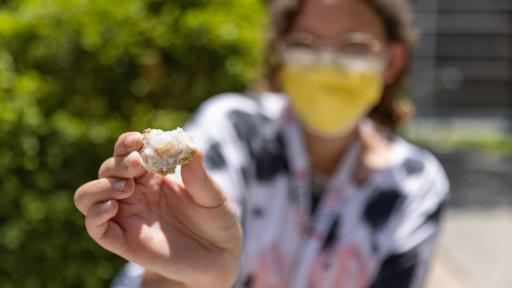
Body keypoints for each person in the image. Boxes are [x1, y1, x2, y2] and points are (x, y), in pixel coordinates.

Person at [74, 0, 449, 287]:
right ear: (281, 54)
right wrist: (186, 276)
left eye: (354, 46)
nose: (327, 62)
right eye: (306, 44)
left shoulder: (415, 183)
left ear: (391, 60)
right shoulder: (233, 129)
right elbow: (181, 256)